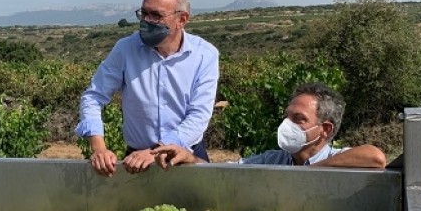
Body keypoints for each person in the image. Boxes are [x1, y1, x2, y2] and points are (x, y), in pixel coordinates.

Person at [75, 0, 219, 177]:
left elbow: (198, 115)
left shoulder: (205, 55)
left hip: (185, 155)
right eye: (143, 14)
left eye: (156, 15)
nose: (147, 21)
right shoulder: (125, 49)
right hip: (135, 161)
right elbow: (93, 96)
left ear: (182, 19)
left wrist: (155, 151)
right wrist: (98, 148)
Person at [151, 82, 386, 168]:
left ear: (325, 129)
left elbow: (375, 157)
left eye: (299, 119)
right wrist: (190, 158)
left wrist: (313, 171)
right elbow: (227, 171)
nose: (287, 124)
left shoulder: (338, 159)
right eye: (287, 116)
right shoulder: (273, 160)